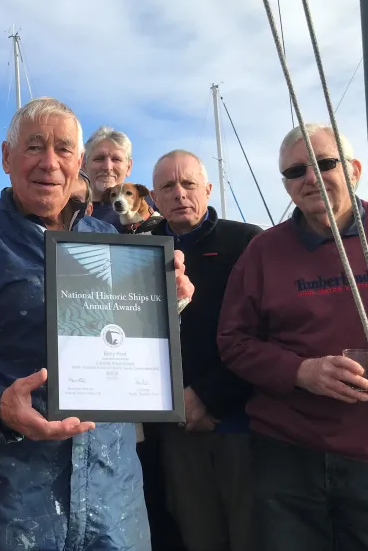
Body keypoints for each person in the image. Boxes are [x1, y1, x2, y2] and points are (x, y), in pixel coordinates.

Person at [0, 97, 195, 550]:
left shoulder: (110, 240)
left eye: (63, 149)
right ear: (6, 157)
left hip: (112, 492)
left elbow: (131, 343)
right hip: (12, 496)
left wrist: (167, 303)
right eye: (34, 147)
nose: (50, 163)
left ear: (79, 163)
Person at [218, 124, 368, 550]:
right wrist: (302, 371)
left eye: (323, 164)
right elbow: (233, 342)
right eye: (295, 172)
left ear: (353, 169)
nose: (310, 178)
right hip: (287, 452)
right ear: (287, 187)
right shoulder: (263, 251)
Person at [148, 149, 262, 551]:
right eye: (167, 186)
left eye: (189, 184)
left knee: (250, 536)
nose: (179, 194)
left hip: (242, 422)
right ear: (153, 199)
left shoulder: (248, 242)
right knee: (196, 536)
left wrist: (207, 396)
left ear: (208, 189)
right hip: (176, 427)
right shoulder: (140, 253)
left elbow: (267, 333)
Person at [84, 125, 153, 226]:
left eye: (116, 159)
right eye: (99, 158)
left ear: (128, 167)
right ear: (84, 165)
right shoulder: (69, 211)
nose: (107, 167)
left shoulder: (152, 203)